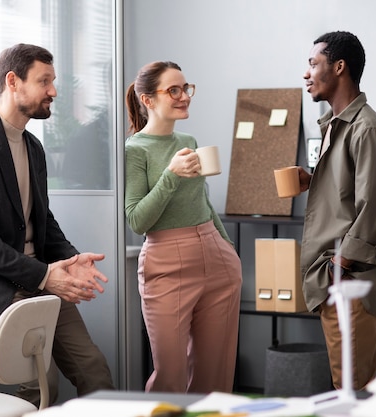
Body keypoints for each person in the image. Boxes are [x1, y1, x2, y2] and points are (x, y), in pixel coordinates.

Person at [0, 43, 115, 404]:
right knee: (41, 384)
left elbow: (42, 218)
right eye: (44, 81)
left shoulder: (32, 147)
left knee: (95, 371)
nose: (54, 91)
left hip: (38, 276)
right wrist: (45, 276)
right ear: (13, 82)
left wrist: (72, 260)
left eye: (53, 81)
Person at [124, 61, 242, 393]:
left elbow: (202, 202)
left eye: (186, 88)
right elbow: (136, 220)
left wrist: (228, 248)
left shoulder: (188, 138)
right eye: (173, 90)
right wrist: (171, 175)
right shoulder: (134, 150)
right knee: (170, 376)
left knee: (215, 375)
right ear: (148, 100)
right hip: (166, 263)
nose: (183, 96)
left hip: (215, 254)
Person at [298, 31, 376, 391]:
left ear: (339, 67)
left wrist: (338, 267)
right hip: (337, 282)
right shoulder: (335, 125)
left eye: (314, 64)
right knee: (346, 385)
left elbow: (375, 210)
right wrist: (313, 180)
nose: (306, 73)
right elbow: (350, 192)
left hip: (350, 283)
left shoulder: (369, 130)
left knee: (354, 389)